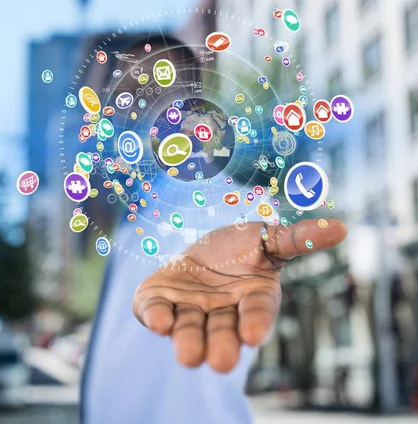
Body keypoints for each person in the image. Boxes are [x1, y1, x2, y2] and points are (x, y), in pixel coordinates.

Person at [80, 34, 348, 424]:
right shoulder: (133, 221)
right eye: (127, 96)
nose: (143, 110)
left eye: (159, 88)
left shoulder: (232, 207)